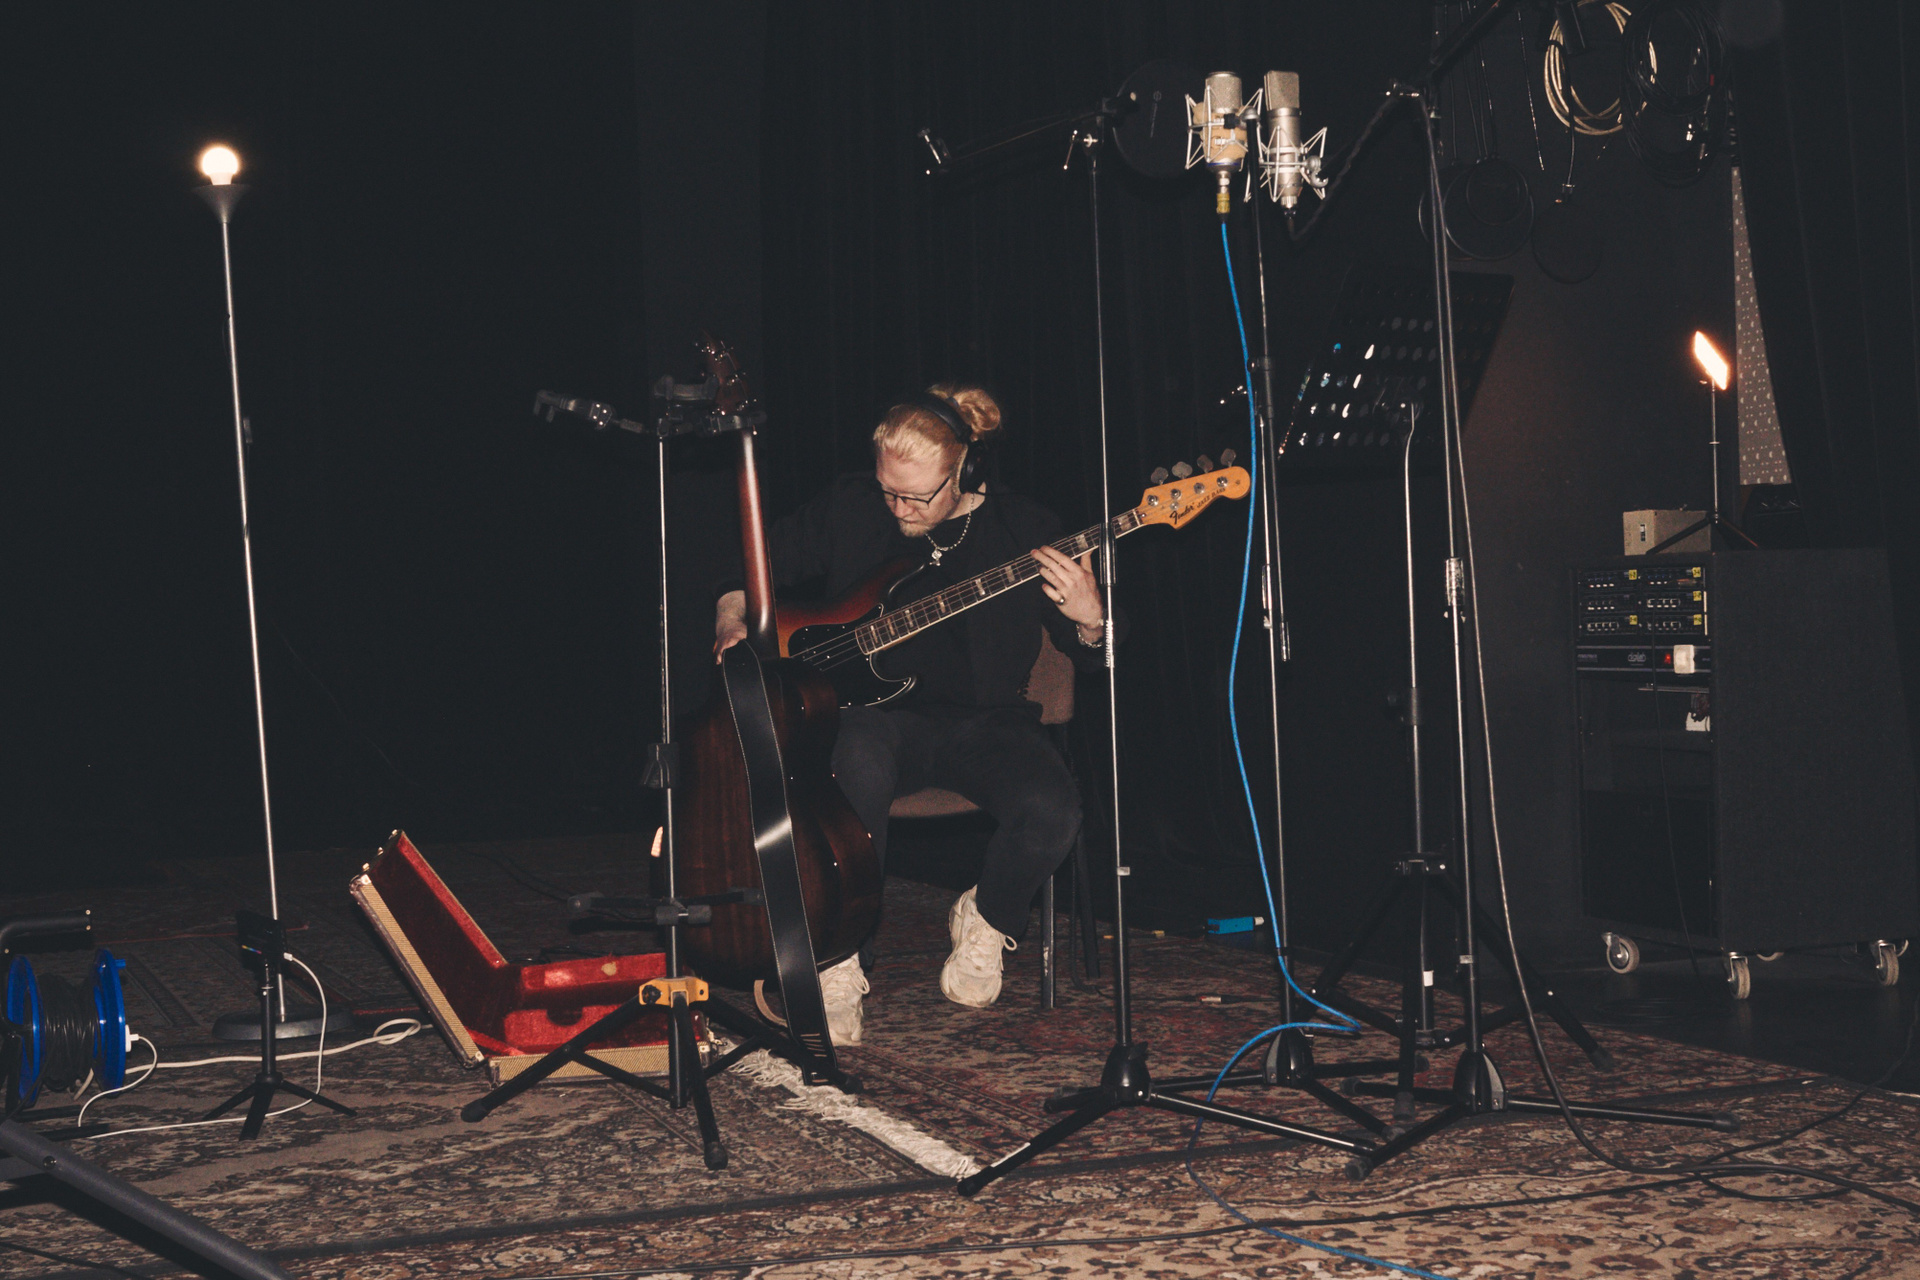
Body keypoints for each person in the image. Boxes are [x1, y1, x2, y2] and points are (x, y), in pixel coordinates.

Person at [713, 383, 1115, 1045]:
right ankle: (838, 959)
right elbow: (747, 566)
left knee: (1054, 809)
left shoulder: (1026, 530)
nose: (899, 508)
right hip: (872, 718)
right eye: (889, 491)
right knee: (854, 769)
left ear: (965, 472)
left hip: (987, 722)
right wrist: (732, 620)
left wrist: (1091, 620)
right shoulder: (851, 505)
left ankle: (987, 916)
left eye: (917, 497)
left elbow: (1092, 655)